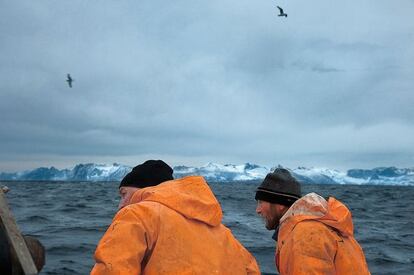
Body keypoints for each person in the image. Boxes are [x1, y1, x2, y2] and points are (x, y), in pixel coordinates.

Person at [91, 160, 260, 274]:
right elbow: (250, 270)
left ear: (145, 189)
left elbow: (111, 269)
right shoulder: (222, 233)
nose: (120, 204)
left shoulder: (136, 214)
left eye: (124, 194)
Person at [255, 168, 371, 275]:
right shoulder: (314, 227)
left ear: (279, 204)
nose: (257, 210)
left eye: (261, 202)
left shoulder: (305, 235)